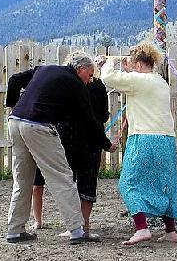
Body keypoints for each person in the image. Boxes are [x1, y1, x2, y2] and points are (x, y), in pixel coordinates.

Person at [5, 52, 117, 244]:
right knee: (62, 176)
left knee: (22, 179)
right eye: (90, 74)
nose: (90, 79)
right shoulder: (75, 84)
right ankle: (77, 230)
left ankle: (15, 230)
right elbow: (90, 120)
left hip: (15, 122)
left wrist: (12, 106)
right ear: (80, 69)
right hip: (38, 126)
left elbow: (14, 79)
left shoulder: (44, 69)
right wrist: (106, 145)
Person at [100, 43, 177, 245]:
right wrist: (128, 69)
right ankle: (171, 230)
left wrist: (109, 61)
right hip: (166, 139)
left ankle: (142, 228)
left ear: (137, 63)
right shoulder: (160, 82)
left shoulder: (139, 81)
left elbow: (108, 77)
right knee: (165, 183)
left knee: (128, 182)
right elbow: (135, 83)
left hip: (144, 138)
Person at [31, 57, 110, 242]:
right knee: (88, 181)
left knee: (67, 182)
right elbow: (104, 115)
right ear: (83, 69)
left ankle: (72, 226)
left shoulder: (64, 83)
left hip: (67, 136)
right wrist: (104, 141)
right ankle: (84, 225)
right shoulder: (98, 86)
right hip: (92, 138)